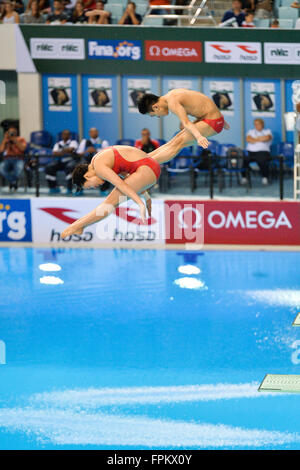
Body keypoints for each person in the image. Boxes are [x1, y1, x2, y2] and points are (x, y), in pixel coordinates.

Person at [60, 145, 161, 239]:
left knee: (109, 204)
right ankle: (78, 226)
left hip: (148, 168)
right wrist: (146, 197)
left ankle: (76, 226)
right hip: (149, 166)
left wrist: (140, 203)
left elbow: (121, 185)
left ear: (86, 176)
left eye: (90, 186)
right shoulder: (97, 160)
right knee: (111, 203)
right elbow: (130, 180)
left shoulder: (98, 167)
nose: (95, 187)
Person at [137, 89, 229, 164]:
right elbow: (202, 102)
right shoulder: (172, 93)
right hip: (213, 119)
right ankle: (145, 157)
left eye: (154, 115)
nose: (158, 116)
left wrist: (199, 137)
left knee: (178, 143)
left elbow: (186, 122)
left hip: (213, 122)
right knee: (175, 140)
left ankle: (144, 164)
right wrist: (221, 119)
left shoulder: (172, 102)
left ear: (155, 107)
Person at [45, 130, 79, 194]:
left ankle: (69, 188)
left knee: (69, 167)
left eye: (67, 134)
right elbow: (54, 153)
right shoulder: (58, 143)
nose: (65, 136)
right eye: (63, 134)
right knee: (49, 167)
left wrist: (61, 152)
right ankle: (53, 187)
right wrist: (65, 151)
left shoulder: (73, 142)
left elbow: (71, 149)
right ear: (62, 135)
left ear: (69, 136)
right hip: (60, 161)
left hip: (71, 161)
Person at [241, 118, 272, 185]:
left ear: (262, 124)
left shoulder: (267, 131)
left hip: (263, 152)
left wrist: (254, 139)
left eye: (258, 124)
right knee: (242, 160)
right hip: (250, 152)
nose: (256, 125)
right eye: (255, 124)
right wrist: (260, 139)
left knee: (262, 161)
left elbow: (267, 138)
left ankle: (265, 177)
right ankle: (244, 177)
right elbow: (249, 139)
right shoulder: (251, 131)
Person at [0, 126, 27, 191]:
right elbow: (1, 150)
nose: (11, 134)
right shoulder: (6, 140)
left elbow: (23, 148)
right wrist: (4, 140)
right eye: (10, 132)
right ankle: (14, 181)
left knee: (18, 170)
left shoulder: (21, 139)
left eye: (13, 132)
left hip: (18, 158)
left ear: (16, 133)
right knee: (1, 168)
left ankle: (13, 182)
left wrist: (14, 140)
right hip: (8, 159)